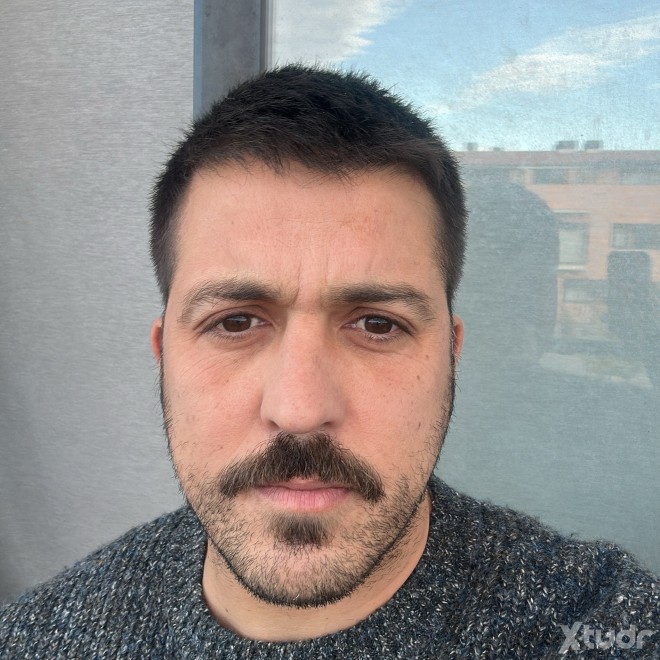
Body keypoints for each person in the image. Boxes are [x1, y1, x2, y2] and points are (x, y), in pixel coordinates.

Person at [0, 65, 657, 658]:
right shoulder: (38, 639)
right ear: (164, 355)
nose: (299, 409)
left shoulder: (599, 622)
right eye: (235, 322)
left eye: (377, 324)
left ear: (451, 357)